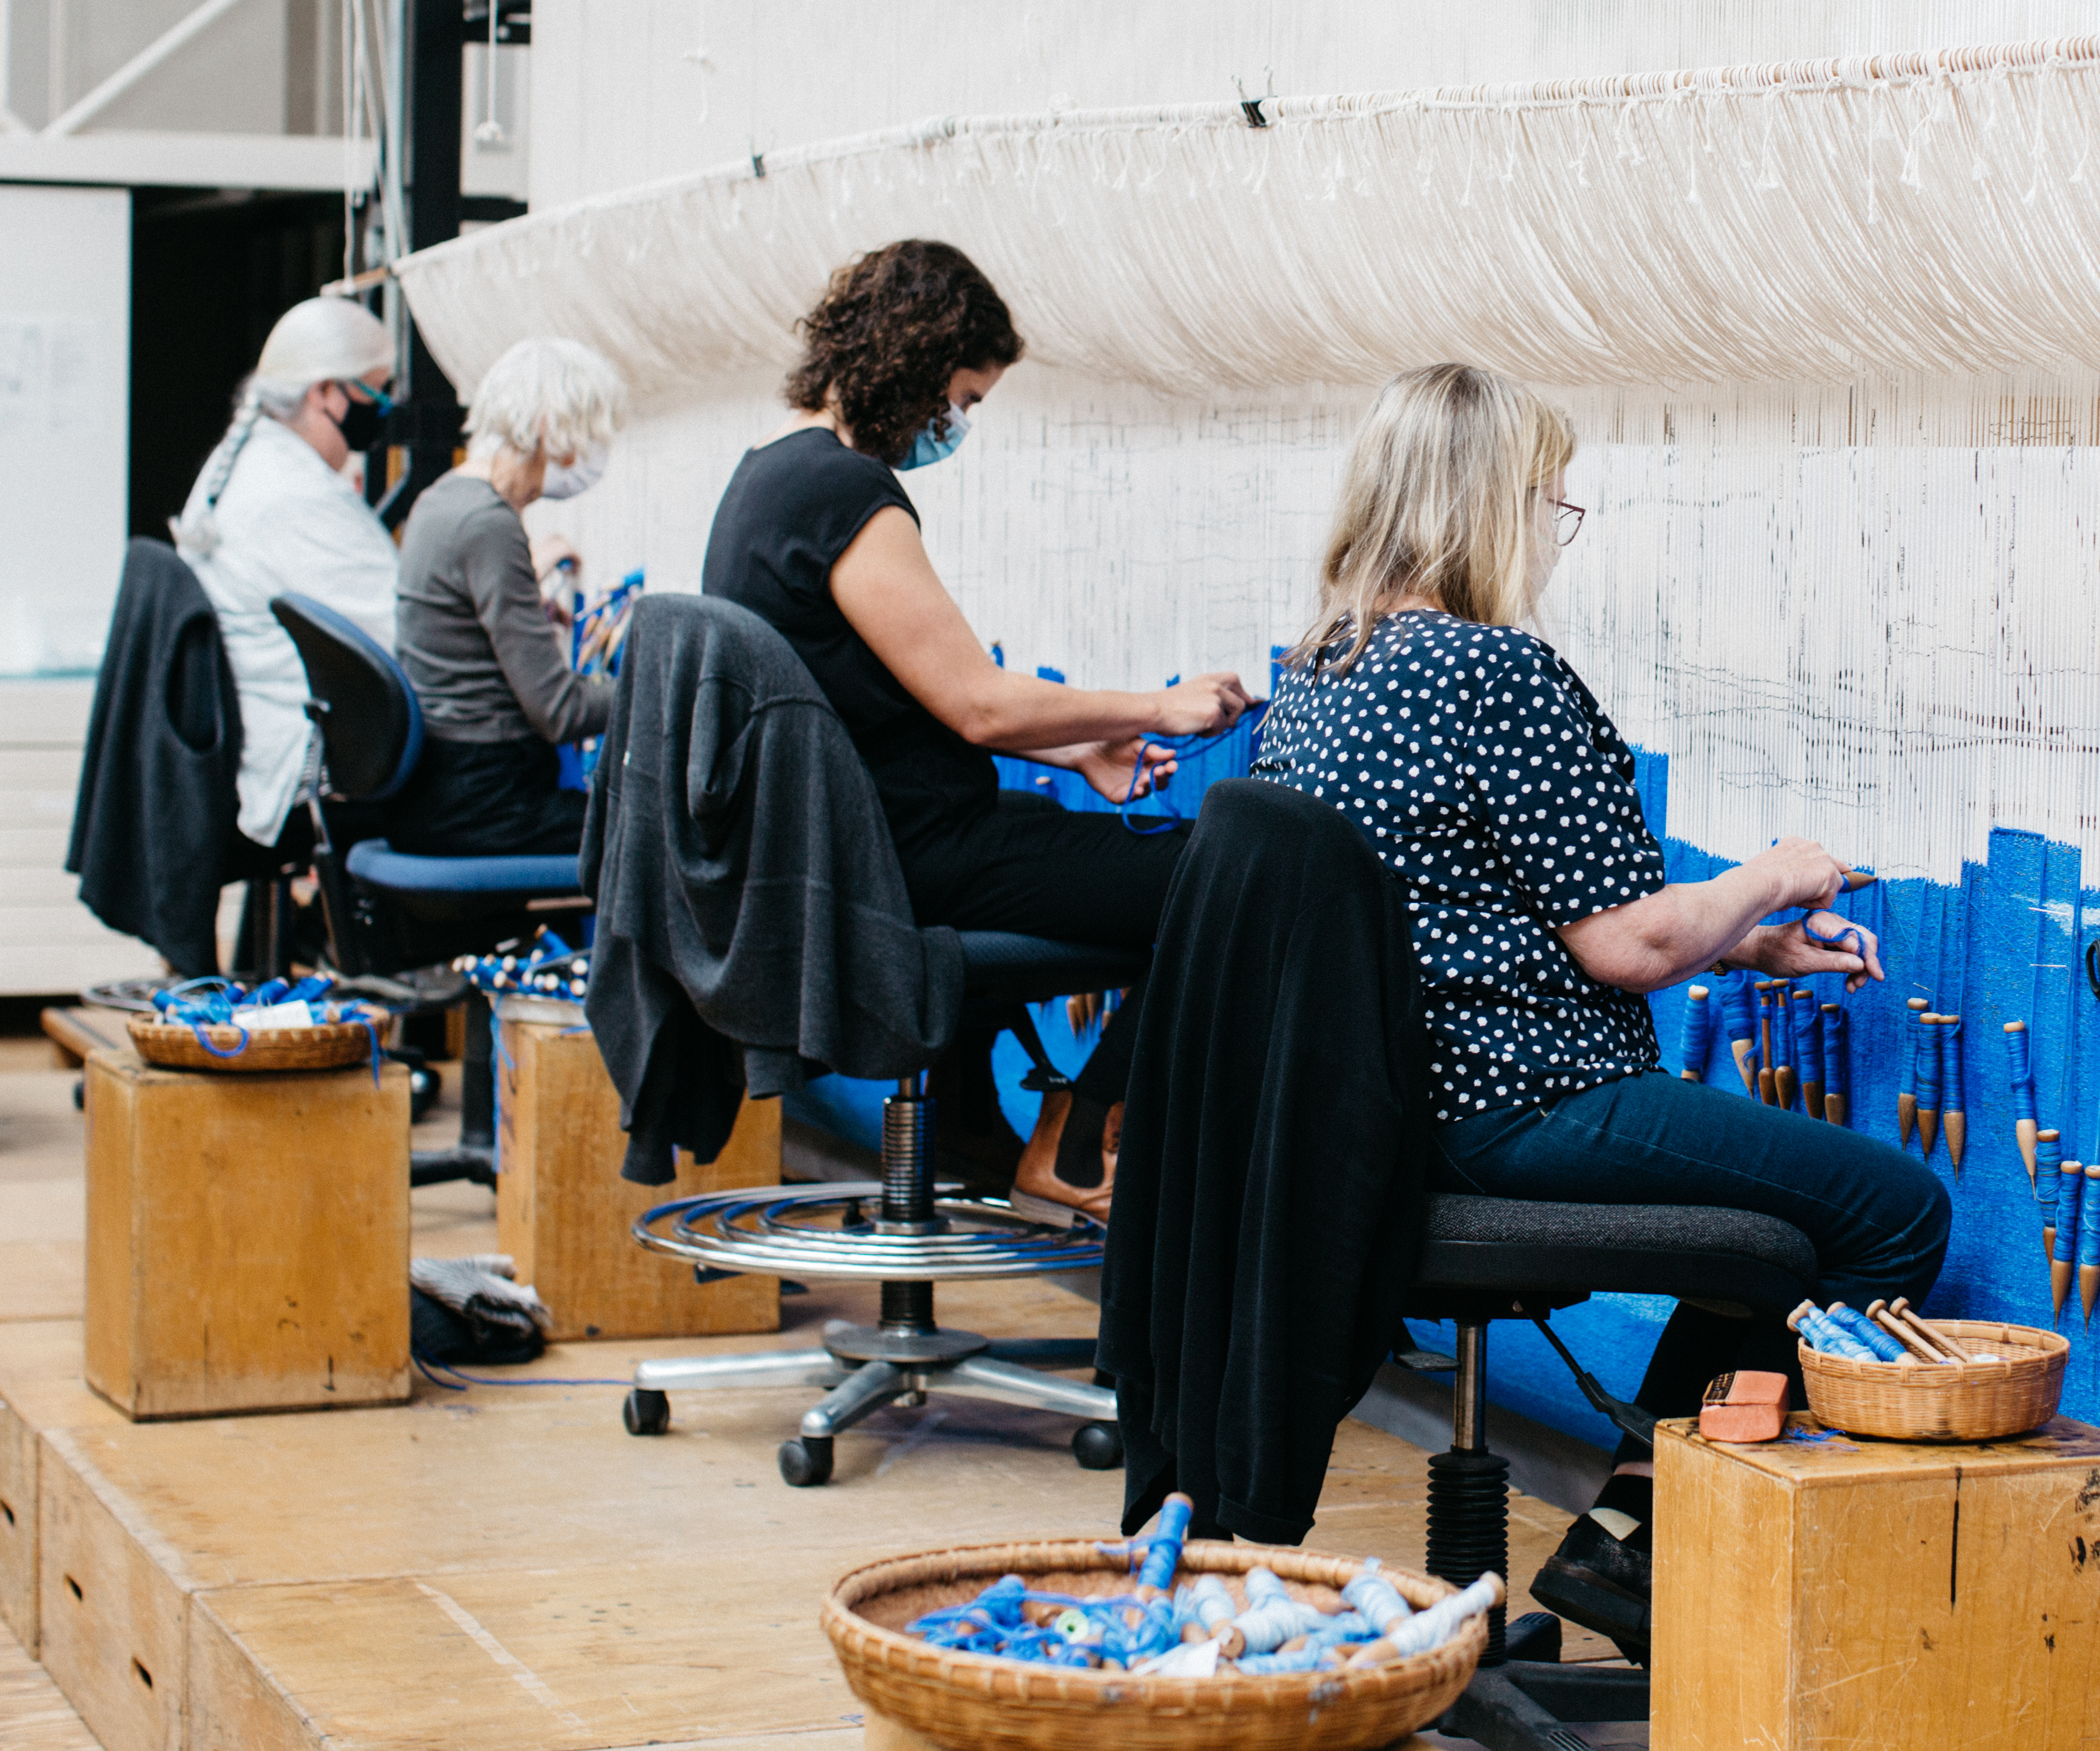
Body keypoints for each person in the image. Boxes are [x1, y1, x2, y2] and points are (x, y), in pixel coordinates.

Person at [1251, 361, 1949, 1660]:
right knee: (1890, 1213)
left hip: (1387, 1119)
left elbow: (1482, 913)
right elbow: (1625, 944)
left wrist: (1754, 949)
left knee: (1771, 1241)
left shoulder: (1318, 676)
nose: (1551, 532)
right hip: (1519, 1106)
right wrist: (1776, 872)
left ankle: (1627, 1538)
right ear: (1485, 509)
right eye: (1547, 502)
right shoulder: (1495, 674)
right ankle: (1643, 1548)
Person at [702, 238, 1252, 1222]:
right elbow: (975, 702)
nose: (955, 423)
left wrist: (1074, 748)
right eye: (962, 397)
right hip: (905, 857)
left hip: (845, 849)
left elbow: (883, 694)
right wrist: (1152, 705)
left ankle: (967, 1129)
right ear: (911, 365)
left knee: (1086, 848)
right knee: (1232, 876)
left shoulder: (763, 480)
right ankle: (1079, 1138)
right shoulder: (843, 493)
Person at [171, 296, 401, 873]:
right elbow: (406, 635)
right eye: (375, 392)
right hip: (299, 772)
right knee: (484, 793)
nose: (384, 410)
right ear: (324, 392)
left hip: (249, 750)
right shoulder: (295, 496)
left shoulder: (243, 459)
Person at [385, 336, 628, 859]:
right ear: (546, 430)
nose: (589, 458)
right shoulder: (489, 525)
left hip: (436, 790)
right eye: (586, 439)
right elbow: (559, 712)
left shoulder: (439, 499)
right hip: (487, 802)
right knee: (656, 832)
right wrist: (657, 683)